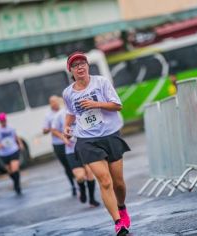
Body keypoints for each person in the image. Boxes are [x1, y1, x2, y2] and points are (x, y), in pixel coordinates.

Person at [63, 51, 131, 235]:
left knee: (118, 183)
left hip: (110, 135)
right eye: (76, 65)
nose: (80, 67)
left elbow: (118, 105)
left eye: (83, 63)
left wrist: (95, 104)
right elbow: (71, 113)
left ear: (87, 66)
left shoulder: (101, 82)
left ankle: (122, 207)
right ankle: (118, 222)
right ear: (71, 70)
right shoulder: (68, 93)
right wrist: (67, 127)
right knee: (105, 181)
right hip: (87, 140)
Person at [51, 108, 100, 207]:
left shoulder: (83, 110)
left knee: (90, 173)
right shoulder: (60, 114)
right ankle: (82, 190)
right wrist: (63, 138)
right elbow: (53, 130)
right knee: (80, 176)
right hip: (71, 150)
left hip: (86, 147)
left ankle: (92, 199)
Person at [43, 95, 76, 196]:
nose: (54, 103)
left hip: (70, 143)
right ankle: (73, 185)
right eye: (52, 102)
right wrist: (51, 129)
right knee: (66, 166)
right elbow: (45, 130)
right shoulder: (48, 116)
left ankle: (80, 182)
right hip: (58, 144)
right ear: (50, 104)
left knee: (73, 164)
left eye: (55, 101)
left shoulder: (64, 112)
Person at [0, 112, 24, 195]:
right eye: (2, 121)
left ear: (6, 120)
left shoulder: (11, 128)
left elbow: (16, 136)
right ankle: (15, 182)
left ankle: (17, 187)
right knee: (10, 171)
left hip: (13, 150)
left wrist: (20, 143)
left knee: (15, 168)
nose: (3, 122)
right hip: (3, 153)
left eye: (4, 120)